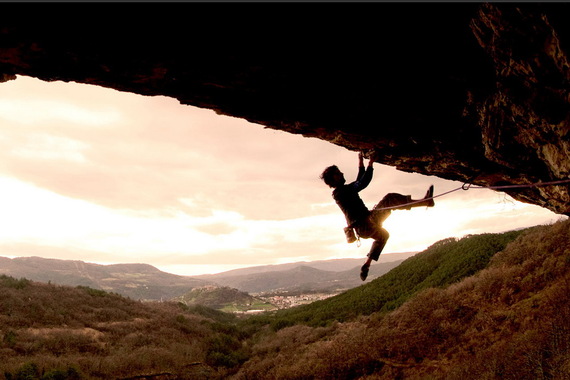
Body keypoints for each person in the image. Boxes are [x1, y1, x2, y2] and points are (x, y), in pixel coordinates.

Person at [320, 152, 434, 281]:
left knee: (383, 235)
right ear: (333, 179)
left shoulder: (341, 191)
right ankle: (425, 202)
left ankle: (367, 264)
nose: (342, 174)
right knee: (390, 199)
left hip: (364, 228)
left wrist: (361, 162)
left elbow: (359, 182)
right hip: (367, 223)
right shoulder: (341, 192)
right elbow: (363, 183)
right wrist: (371, 163)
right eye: (338, 173)